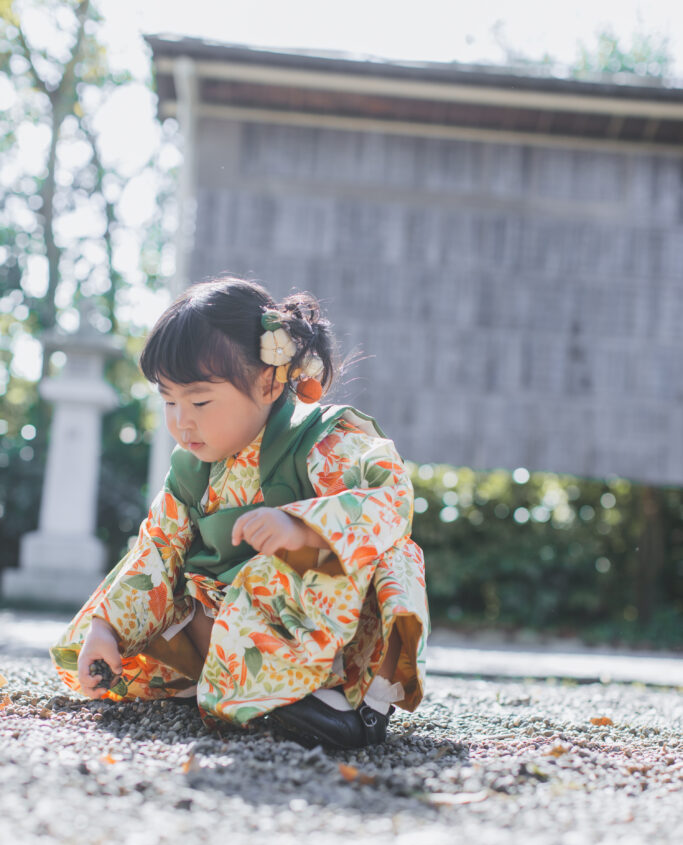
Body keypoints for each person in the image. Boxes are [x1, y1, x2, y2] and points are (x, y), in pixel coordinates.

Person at [51, 276, 429, 749]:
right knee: (177, 590)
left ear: (269, 381)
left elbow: (390, 494)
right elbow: (158, 547)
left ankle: (356, 703)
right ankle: (245, 689)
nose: (181, 420)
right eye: (168, 400)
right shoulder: (192, 470)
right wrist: (107, 629)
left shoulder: (323, 440)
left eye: (200, 400)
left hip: (336, 632)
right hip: (235, 622)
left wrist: (303, 529)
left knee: (382, 557)